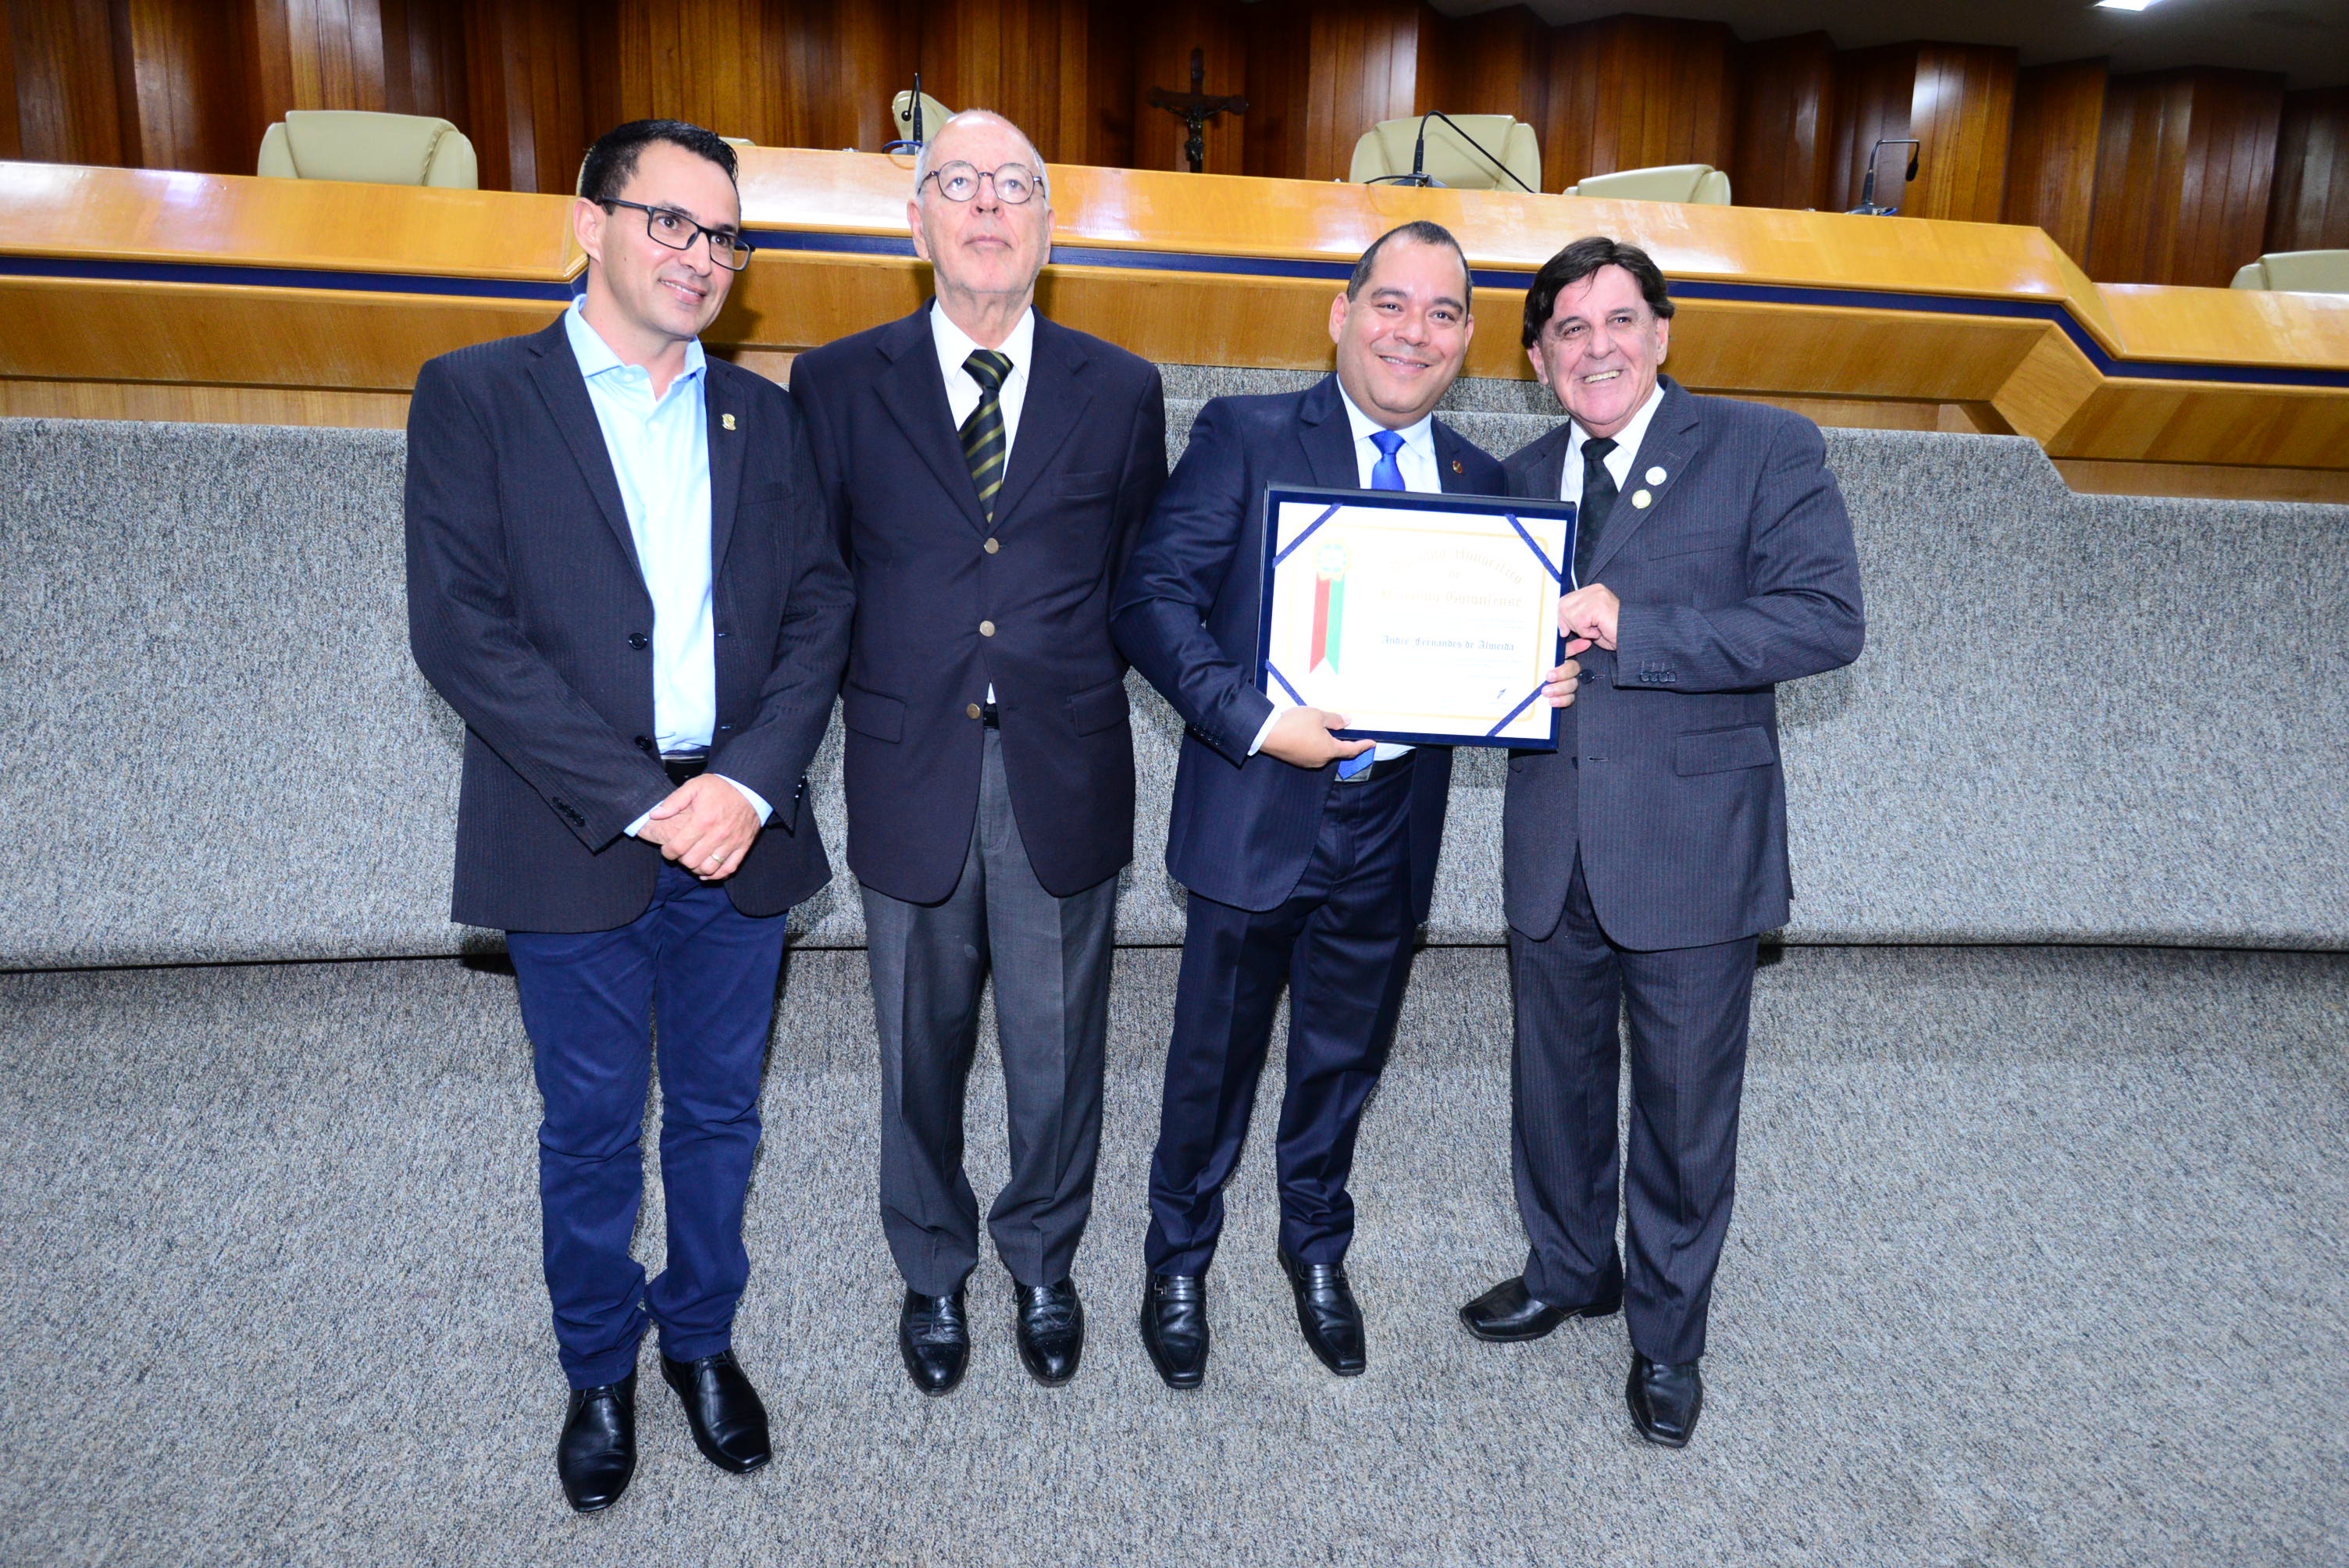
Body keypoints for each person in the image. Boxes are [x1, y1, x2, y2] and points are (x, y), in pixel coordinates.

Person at [405, 119, 852, 1512]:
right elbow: (462, 634)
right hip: (575, 827)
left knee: (719, 1117)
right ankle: (597, 1365)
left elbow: (820, 613)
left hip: (740, 823)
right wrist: (645, 804)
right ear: (588, 224)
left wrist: (748, 783)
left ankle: (701, 1340)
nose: (702, 255)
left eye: (724, 235)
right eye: (672, 222)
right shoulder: (478, 394)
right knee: (592, 1126)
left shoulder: (769, 417)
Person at [1113, 220, 1536, 1388]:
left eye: (1442, 314)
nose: (1413, 332)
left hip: (1393, 822)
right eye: (1390, 304)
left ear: (1467, 340)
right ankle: (1177, 1261)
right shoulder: (1246, 434)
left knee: (1344, 1059)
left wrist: (1529, 679)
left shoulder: (1484, 482)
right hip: (1259, 803)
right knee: (1213, 1061)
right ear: (1343, 314)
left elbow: (1486, 654)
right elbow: (1150, 603)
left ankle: (1315, 1249)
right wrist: (1258, 721)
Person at [1457, 236, 1863, 1447]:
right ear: (1537, 361)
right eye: (1569, 331)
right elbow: (1482, 647)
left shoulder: (1762, 449)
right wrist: (1507, 684)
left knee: (1685, 1111)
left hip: (1693, 844)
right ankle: (1570, 1267)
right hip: (1552, 835)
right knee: (1556, 1085)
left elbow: (1825, 620)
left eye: (1620, 320)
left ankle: (1668, 1337)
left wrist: (1645, 629)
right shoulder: (1515, 476)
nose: (1598, 348)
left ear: (1662, 332)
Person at [790, 111, 1167, 1396]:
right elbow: (817, 581)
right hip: (910, 767)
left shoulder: (1122, 388)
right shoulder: (837, 383)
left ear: (1050, 229)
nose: (989, 205)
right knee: (919, 1046)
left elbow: (1139, 580)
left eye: (1016, 186)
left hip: (1064, 766)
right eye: (960, 183)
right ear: (919, 223)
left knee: (1059, 1051)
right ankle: (933, 1265)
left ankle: (1044, 1257)